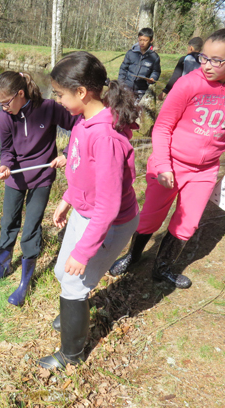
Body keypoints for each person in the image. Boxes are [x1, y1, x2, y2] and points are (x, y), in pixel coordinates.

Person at [109, 29, 225, 288]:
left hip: (204, 172)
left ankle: (162, 268)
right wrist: (163, 165)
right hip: (169, 163)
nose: (207, 65)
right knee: (150, 216)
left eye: (217, 60)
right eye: (205, 57)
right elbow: (162, 127)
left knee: (187, 223)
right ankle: (133, 256)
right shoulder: (188, 83)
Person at [38, 52, 141, 370]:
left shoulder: (105, 137)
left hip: (108, 222)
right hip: (86, 212)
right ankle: (73, 314)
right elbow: (82, 170)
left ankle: (71, 355)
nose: (56, 100)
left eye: (59, 94)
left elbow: (108, 206)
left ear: (81, 92)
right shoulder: (84, 122)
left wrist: (83, 251)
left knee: (73, 282)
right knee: (61, 273)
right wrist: (68, 198)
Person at [0, 71, 78, 307]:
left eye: (6, 103)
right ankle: (3, 268)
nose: (4, 108)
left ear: (20, 94)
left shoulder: (49, 108)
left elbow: (79, 124)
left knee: (30, 228)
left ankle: (25, 283)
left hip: (42, 177)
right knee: (8, 224)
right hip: (15, 178)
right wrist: (5, 165)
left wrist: (66, 154)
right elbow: (7, 150)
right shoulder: (4, 119)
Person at [118, 27, 161, 99]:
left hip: (141, 91)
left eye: (145, 40)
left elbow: (156, 71)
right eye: (140, 40)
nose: (142, 42)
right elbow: (123, 69)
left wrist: (152, 78)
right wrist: (121, 85)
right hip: (126, 89)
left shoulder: (154, 57)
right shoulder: (131, 53)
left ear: (151, 40)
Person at [158, 37, 203, 101]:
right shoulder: (204, 60)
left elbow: (175, 76)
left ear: (191, 48)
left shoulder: (185, 59)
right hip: (199, 94)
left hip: (184, 91)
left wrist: (165, 92)